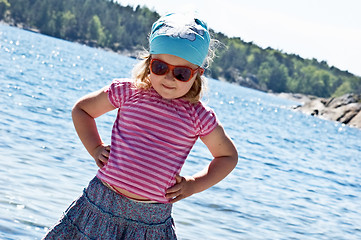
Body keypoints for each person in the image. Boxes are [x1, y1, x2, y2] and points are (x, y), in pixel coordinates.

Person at [43, 12, 238, 239]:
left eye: (182, 73)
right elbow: (82, 110)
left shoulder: (198, 116)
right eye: (160, 67)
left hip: (150, 221)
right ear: (149, 63)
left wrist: (193, 185)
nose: (169, 78)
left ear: (197, 74)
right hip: (100, 204)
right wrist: (95, 148)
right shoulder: (129, 92)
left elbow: (227, 157)